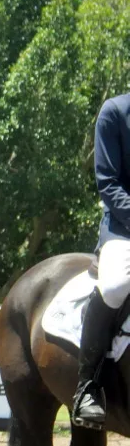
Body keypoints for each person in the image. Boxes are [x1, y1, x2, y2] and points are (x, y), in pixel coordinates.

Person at [75, 94, 130, 428]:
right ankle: (88, 386)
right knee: (114, 285)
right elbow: (107, 184)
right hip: (123, 229)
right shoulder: (114, 113)